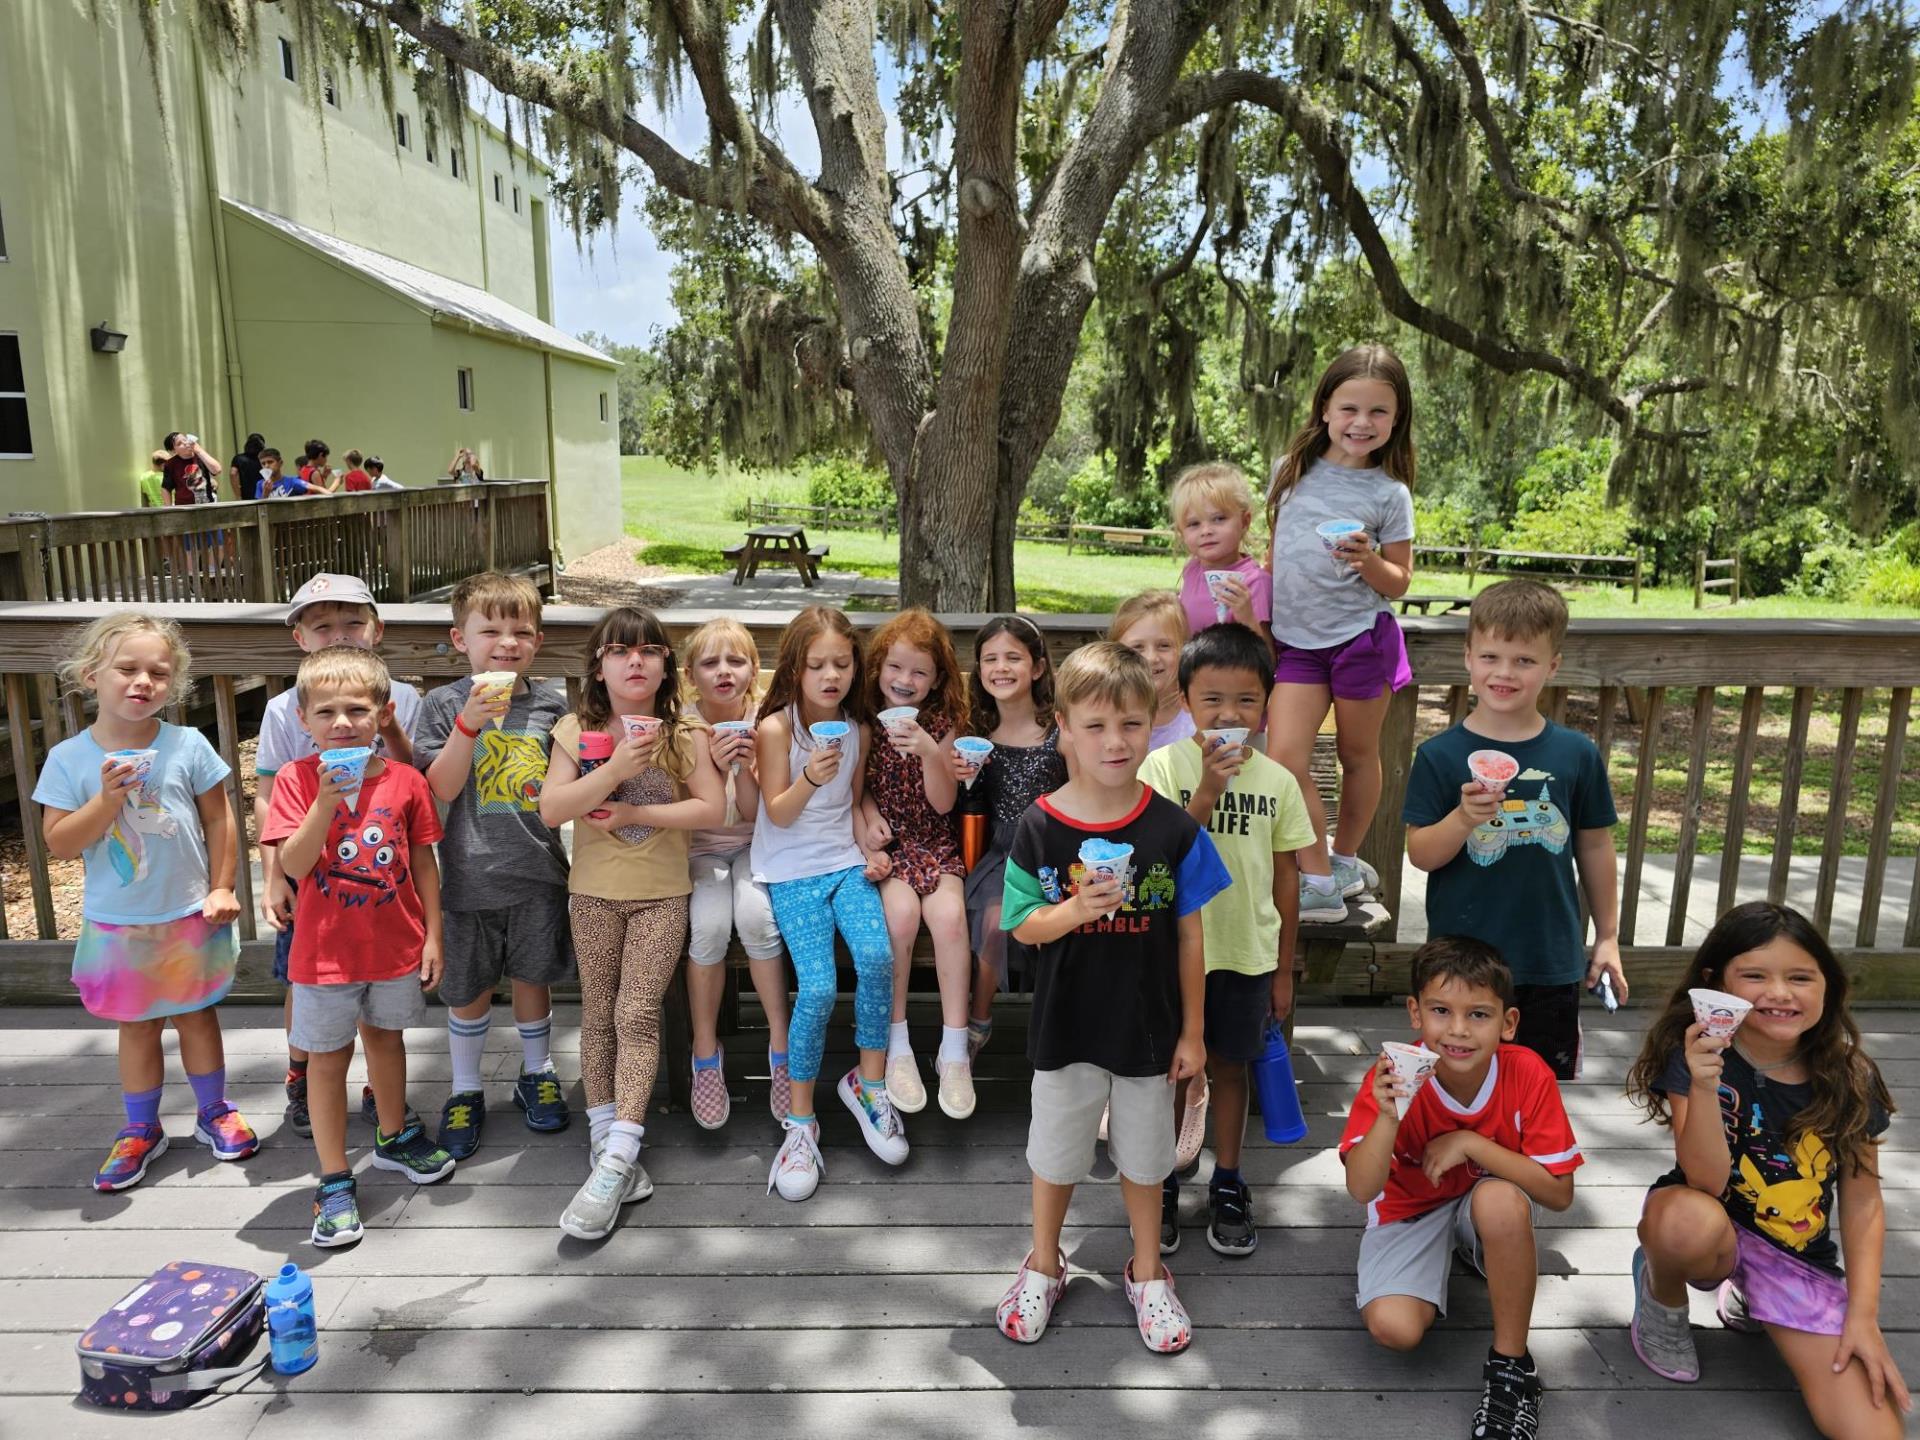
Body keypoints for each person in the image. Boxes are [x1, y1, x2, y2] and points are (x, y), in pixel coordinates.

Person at [994, 641, 1227, 1355]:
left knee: (1148, 1159)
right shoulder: (1040, 826)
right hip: (1066, 1026)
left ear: (1152, 725)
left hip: (1149, 1030)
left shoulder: (1173, 828)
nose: (1114, 741)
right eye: (1094, 726)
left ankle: (1149, 1271)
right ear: (1062, 725)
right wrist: (1075, 912)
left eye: (1129, 724)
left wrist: (1193, 1033)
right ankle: (1042, 1263)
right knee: (1055, 1155)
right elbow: (1021, 926)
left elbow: (1191, 940)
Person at [1625, 902, 1909, 1438]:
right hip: (1709, 1223)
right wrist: (1704, 1085)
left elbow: (1863, 1198)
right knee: (1686, 1221)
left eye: (1800, 977)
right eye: (1755, 976)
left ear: (1829, 986)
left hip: (1793, 1250)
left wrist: (1863, 1317)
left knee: (1874, 1431)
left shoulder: (1850, 1075)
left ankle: (1753, 1295)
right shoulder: (1694, 1053)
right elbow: (1705, 1180)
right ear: (1714, 984)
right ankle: (1661, 1296)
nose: (1779, 993)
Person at [34, 613, 254, 1192]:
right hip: (118, 922)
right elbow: (59, 843)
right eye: (126, 669)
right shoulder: (68, 758)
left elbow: (219, 816)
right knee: (136, 1027)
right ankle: (140, 1128)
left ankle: (214, 1111)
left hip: (188, 912)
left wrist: (223, 885)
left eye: (159, 673)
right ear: (91, 676)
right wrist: (107, 801)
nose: (142, 682)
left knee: (197, 1015)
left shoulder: (188, 743)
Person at [1339, 936, 1582, 1440]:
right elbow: (1362, 1189)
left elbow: (1559, 1194)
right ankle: (1460, 1254)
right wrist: (1388, 1118)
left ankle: (1513, 1368)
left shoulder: (1528, 1073)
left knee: (1499, 1200)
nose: (1457, 1030)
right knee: (1395, 1329)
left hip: (1483, 1198)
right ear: (1415, 1012)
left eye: (1478, 1014)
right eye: (1441, 1011)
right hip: (1410, 1206)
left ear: (1508, 1023)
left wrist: (1471, 1142)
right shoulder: (1393, 1075)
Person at [539, 607, 724, 1240]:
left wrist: (630, 812)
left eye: (649, 649)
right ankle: (606, 1145)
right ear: (599, 666)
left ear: (667, 664)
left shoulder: (684, 732)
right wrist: (616, 769)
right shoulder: (576, 730)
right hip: (591, 894)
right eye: (620, 651)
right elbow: (551, 810)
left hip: (661, 895)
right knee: (596, 1013)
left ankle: (621, 1152)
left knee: (636, 1015)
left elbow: (713, 805)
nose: (636, 660)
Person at [263, 646, 453, 1249]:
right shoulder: (296, 781)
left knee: (387, 1041)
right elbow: (293, 862)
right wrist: (325, 801)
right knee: (326, 1060)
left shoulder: (406, 780)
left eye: (357, 709)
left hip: (394, 945)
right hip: (323, 957)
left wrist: (433, 935)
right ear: (303, 719)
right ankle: (335, 1176)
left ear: (383, 712)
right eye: (326, 712)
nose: (342, 723)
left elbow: (423, 859)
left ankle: (393, 1137)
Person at [1140, 622, 1319, 1255]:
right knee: (1165, 1071)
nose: (1228, 713)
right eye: (1212, 698)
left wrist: (1282, 969)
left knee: (1230, 1067)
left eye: (1245, 700)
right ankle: (1157, 1180)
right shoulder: (1163, 766)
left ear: (1266, 706)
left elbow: (1286, 878)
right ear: (1184, 700)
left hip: (1246, 951)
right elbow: (1160, 852)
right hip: (1171, 954)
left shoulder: (1277, 780)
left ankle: (1229, 1179)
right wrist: (1209, 788)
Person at [1403, 579, 1624, 1078]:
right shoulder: (1438, 756)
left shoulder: (1575, 755)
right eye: (1491, 657)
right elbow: (1421, 853)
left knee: (1540, 1088)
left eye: (1524, 661)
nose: (1504, 673)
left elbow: (1594, 846)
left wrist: (1607, 937)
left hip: (1550, 961)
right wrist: (1463, 818)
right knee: (1457, 1086)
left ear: (1553, 666)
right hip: (1459, 968)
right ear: (1468, 657)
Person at [256, 574, 423, 1137]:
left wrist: (394, 726)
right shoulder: (286, 709)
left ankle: (382, 1094)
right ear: (299, 636)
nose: (339, 635)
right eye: (321, 625)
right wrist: (272, 874)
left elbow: (410, 777)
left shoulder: (399, 698)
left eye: (352, 622)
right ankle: (301, 1077)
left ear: (377, 630)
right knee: (302, 979)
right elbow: (265, 794)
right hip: (311, 876)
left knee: (382, 1016)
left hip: (382, 881)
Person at [414, 573, 573, 1161]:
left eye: (521, 632)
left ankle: (537, 1072)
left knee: (534, 977)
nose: (507, 643)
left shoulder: (553, 707)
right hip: (466, 876)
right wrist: (468, 724)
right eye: (491, 631)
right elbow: (440, 788)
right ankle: (465, 1088)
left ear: (537, 642)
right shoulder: (442, 706)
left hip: (537, 871)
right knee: (468, 988)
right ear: (461, 639)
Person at [753, 605, 903, 1202]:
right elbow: (779, 813)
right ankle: (800, 1121)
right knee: (815, 988)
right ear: (795, 668)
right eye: (816, 665)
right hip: (790, 872)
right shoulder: (776, 731)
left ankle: (868, 1087)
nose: (830, 676)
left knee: (876, 957)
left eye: (842, 664)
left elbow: (856, 797)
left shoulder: (859, 729)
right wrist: (810, 775)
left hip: (843, 864)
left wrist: (870, 834)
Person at [1263, 343, 1417, 908]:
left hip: (1360, 641)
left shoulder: (1390, 493)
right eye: (1350, 408)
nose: (1362, 422)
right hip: (1295, 643)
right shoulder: (1290, 470)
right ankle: (1315, 867)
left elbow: (1399, 581)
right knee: (1286, 759)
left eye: (1379, 411)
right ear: (1325, 407)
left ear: (1396, 420)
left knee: (1357, 755)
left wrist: (1369, 561)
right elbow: (1276, 553)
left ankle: (1344, 860)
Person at [859, 609, 973, 1119]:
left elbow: (945, 804)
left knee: (948, 918)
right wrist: (867, 824)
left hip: (935, 839)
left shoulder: (943, 727)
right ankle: (898, 1042)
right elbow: (857, 793)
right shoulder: (864, 723)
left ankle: (954, 1050)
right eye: (896, 668)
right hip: (891, 850)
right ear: (879, 668)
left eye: (919, 672)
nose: (905, 681)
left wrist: (930, 751)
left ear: (937, 679)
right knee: (900, 918)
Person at [680, 617, 791, 1131]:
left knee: (756, 918)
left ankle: (781, 1046)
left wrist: (740, 770)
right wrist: (713, 769)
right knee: (706, 926)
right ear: (690, 674)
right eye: (710, 663)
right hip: (699, 850)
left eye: (736, 660)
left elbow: (754, 814)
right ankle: (706, 1051)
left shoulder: (766, 720)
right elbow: (693, 814)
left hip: (755, 845)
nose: (724, 672)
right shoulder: (681, 725)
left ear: (754, 669)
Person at [958, 615, 1068, 1062]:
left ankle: (1061, 1023)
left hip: (1051, 850)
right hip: (998, 852)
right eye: (990, 659)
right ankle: (978, 1019)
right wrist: (966, 781)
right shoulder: (976, 733)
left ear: (1038, 667)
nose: (1000, 668)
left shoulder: (1059, 732)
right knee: (994, 916)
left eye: (1013, 658)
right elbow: (967, 808)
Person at [1169, 462, 1273, 648]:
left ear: (1244, 521)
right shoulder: (1192, 570)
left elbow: (1268, 659)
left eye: (1219, 519)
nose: (1206, 531)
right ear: (1181, 531)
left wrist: (1247, 616)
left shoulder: (1254, 581)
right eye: (1194, 524)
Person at [1109, 590, 1193, 750]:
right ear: (1116, 653)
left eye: (1164, 646)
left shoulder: (1196, 719)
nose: (1151, 658)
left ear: (1185, 649)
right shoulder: (1104, 710)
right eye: (1138, 647)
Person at [161, 432, 221, 506]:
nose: (186, 443)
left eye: (185, 439)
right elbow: (166, 488)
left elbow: (217, 470)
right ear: (174, 451)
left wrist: (199, 450)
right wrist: (169, 509)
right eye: (179, 443)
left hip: (206, 504)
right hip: (183, 507)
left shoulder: (201, 456)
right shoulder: (171, 464)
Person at [229, 434, 265, 503]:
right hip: (264, 495)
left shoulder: (238, 458)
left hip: (246, 497)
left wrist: (238, 496)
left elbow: (233, 473)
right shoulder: (265, 460)